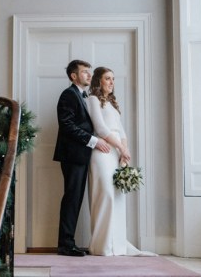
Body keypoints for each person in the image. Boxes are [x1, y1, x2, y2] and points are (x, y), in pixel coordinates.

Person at [86, 66, 156, 256]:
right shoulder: (92, 100)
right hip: (103, 151)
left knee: (117, 196)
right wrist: (120, 147)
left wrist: (125, 151)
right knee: (105, 195)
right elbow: (100, 128)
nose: (111, 82)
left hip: (116, 151)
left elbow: (121, 130)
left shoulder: (112, 104)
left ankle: (117, 245)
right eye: (107, 78)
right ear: (98, 81)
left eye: (113, 79)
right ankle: (102, 246)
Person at [53, 60, 110, 257]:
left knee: (75, 199)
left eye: (89, 72)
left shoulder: (83, 95)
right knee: (72, 198)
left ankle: (68, 242)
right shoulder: (68, 94)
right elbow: (66, 124)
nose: (88, 75)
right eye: (85, 72)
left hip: (80, 155)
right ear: (73, 76)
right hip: (72, 155)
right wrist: (92, 140)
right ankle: (65, 245)